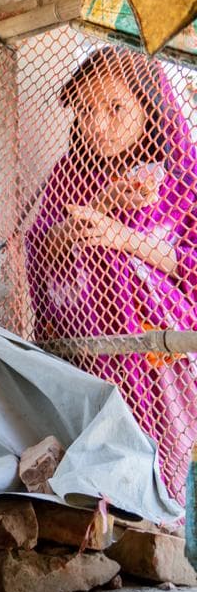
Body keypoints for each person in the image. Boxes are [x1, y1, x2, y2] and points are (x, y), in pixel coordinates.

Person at [26, 45, 197, 505]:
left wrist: (125, 239)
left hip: (166, 344)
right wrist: (101, 206)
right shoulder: (71, 174)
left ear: (148, 106)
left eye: (115, 108)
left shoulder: (185, 173)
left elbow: (191, 265)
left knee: (115, 258)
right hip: (86, 338)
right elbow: (42, 253)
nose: (97, 124)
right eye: (85, 110)